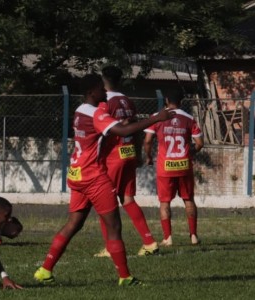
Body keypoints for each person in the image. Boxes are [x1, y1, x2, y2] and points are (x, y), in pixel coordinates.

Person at [33, 74, 174, 286]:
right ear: (91, 92)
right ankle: (125, 277)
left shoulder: (80, 110)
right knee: (114, 227)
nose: (105, 93)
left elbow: (100, 132)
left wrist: (119, 124)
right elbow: (122, 130)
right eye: (101, 89)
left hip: (77, 172)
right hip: (94, 177)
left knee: (73, 224)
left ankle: (45, 270)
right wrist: (156, 118)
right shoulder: (96, 113)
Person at [94, 66, 159, 258]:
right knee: (128, 199)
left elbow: (102, 131)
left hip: (113, 156)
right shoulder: (128, 101)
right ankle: (149, 242)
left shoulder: (105, 102)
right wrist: (138, 153)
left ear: (103, 80)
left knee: (104, 203)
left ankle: (110, 247)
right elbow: (136, 128)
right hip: (129, 152)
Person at [144, 91, 203, 246]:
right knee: (188, 199)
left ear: (167, 101)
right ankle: (193, 236)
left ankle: (168, 237)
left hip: (165, 166)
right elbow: (199, 143)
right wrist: (191, 152)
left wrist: (149, 156)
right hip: (184, 165)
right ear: (182, 102)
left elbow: (148, 140)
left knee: (165, 202)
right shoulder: (189, 118)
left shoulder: (157, 116)